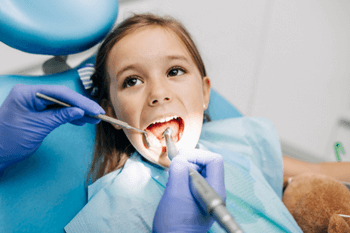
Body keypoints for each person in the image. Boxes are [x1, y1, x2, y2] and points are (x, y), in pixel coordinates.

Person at [1, 13, 350, 232]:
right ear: (113, 113)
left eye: (175, 71)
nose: (158, 93)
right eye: (132, 81)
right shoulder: (118, 206)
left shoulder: (237, 141)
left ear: (205, 92)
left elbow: (320, 171)